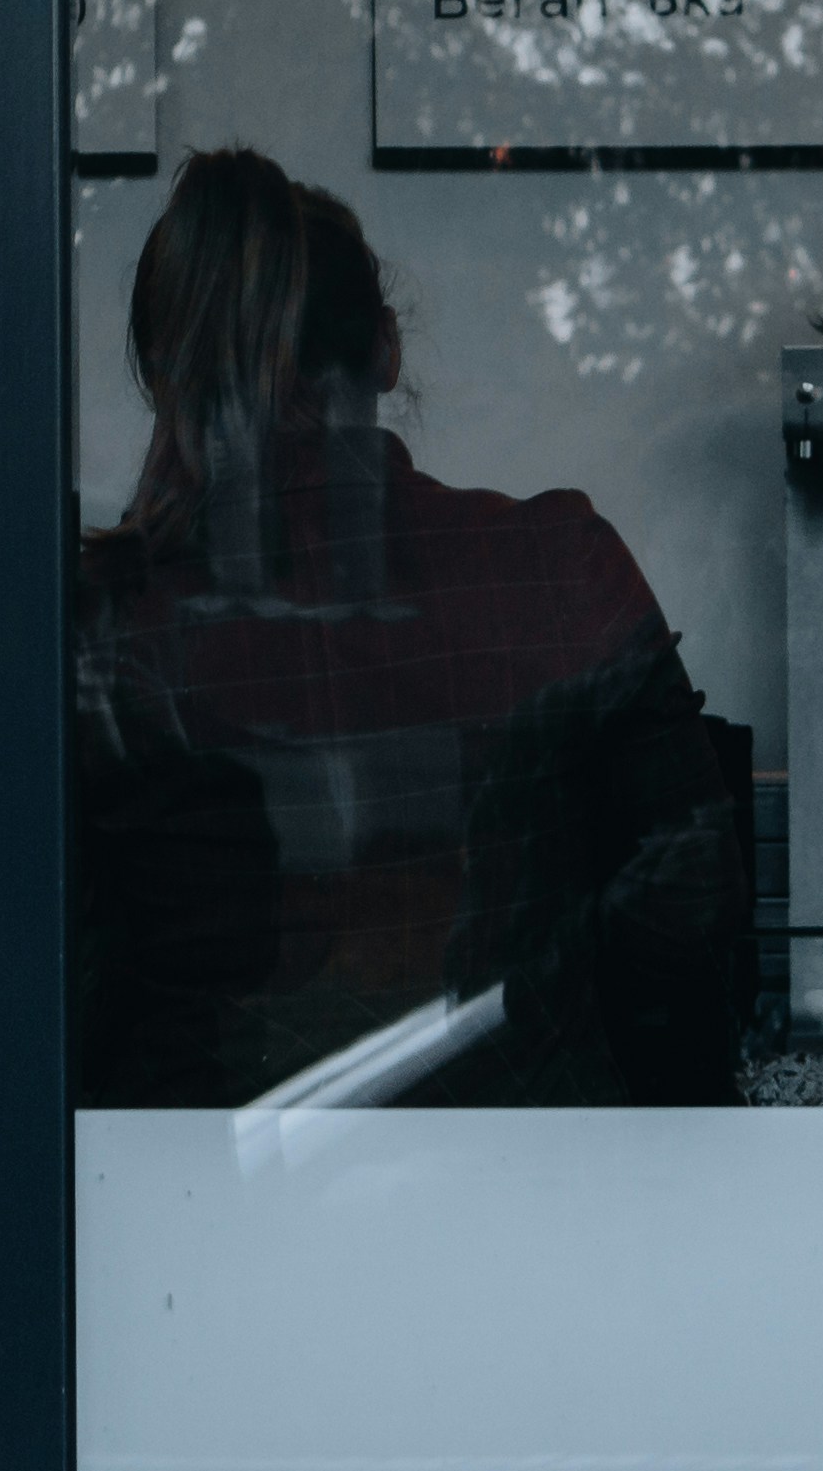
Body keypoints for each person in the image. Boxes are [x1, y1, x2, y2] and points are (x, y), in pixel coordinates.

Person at [76, 149, 745, 1110]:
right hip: (529, 1177)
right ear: (386, 350)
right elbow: (689, 909)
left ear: (165, 373)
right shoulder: (560, 565)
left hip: (202, 1185)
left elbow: (27, 982)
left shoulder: (100, 625)